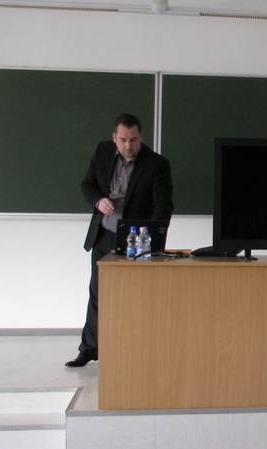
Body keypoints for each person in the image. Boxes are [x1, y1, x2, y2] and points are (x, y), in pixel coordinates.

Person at [66, 113, 173, 367]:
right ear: (114, 138)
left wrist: (150, 239)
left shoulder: (156, 164)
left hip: (136, 239)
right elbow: (87, 185)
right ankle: (89, 350)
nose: (129, 146)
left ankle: (134, 350)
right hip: (104, 234)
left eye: (134, 140)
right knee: (98, 293)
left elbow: (163, 206)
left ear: (141, 137)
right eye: (123, 140)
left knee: (135, 296)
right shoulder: (103, 152)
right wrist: (98, 201)